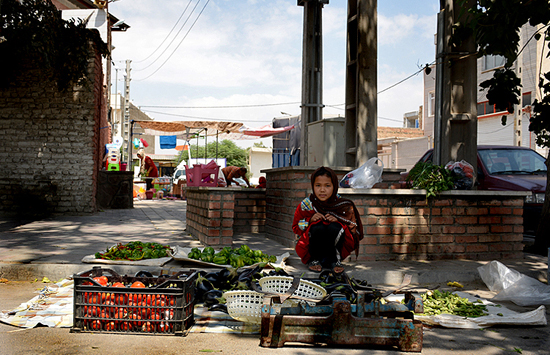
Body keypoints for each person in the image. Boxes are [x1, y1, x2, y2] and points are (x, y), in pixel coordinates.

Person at [292, 166, 363, 274]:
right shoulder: (306, 205)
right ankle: (313, 260)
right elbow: (296, 227)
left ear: (334, 186)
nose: (322, 190)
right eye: (318, 185)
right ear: (313, 186)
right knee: (318, 227)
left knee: (335, 227)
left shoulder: (342, 205)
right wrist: (309, 220)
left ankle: (335, 261)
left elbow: (352, 229)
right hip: (311, 250)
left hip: (335, 251)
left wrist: (338, 221)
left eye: (327, 185)